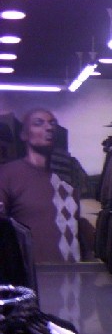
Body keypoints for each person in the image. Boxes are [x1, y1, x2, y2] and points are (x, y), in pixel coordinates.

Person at [0, 108, 82, 263]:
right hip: (32, 272)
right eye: (38, 123)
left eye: (52, 123)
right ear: (24, 134)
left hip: (73, 271)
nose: (49, 127)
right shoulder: (8, 174)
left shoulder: (67, 175)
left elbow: (76, 224)